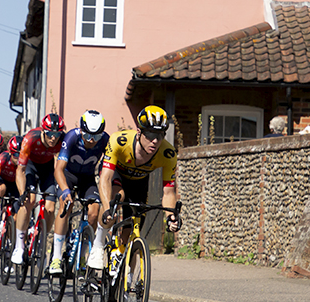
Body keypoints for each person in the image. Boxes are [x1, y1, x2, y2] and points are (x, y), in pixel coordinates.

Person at [90, 106, 182, 278]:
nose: (155, 141)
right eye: (150, 135)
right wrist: (107, 208)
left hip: (139, 182)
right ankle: (98, 244)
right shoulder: (120, 140)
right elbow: (105, 178)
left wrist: (171, 216)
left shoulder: (168, 154)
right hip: (117, 175)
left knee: (133, 228)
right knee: (119, 197)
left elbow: (169, 192)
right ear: (139, 133)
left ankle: (126, 283)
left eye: (160, 135)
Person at [51, 109, 109, 274]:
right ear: (81, 130)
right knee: (65, 205)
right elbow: (58, 170)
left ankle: (83, 255)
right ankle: (55, 258)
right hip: (68, 176)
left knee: (94, 211)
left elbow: (107, 169)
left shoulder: (106, 140)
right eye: (88, 135)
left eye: (96, 136)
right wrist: (65, 191)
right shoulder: (72, 137)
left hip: (87, 178)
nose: (91, 140)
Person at [12, 114, 65, 265]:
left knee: (50, 208)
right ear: (43, 131)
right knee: (29, 200)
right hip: (30, 167)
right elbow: (20, 170)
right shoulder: (30, 138)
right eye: (49, 134)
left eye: (56, 134)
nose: (53, 138)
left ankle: (41, 240)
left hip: (47, 169)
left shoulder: (62, 140)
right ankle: (19, 246)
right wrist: (22, 193)